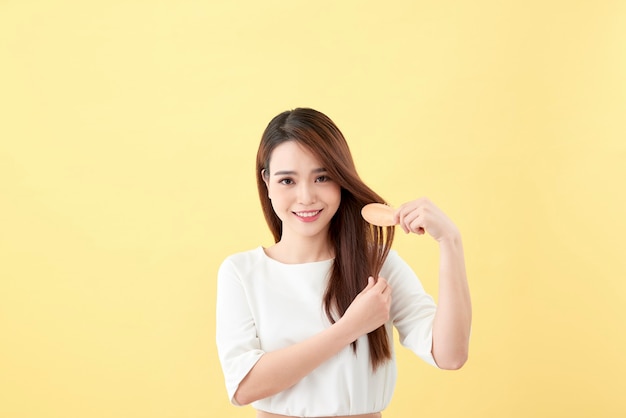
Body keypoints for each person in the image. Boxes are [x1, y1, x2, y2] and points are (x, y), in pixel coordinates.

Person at [216, 108, 471, 418]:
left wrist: (450, 242)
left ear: (341, 179)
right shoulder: (242, 273)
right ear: (267, 183)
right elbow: (244, 387)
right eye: (287, 181)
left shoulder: (378, 264)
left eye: (322, 177)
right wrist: (349, 328)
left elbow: (450, 355)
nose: (306, 196)